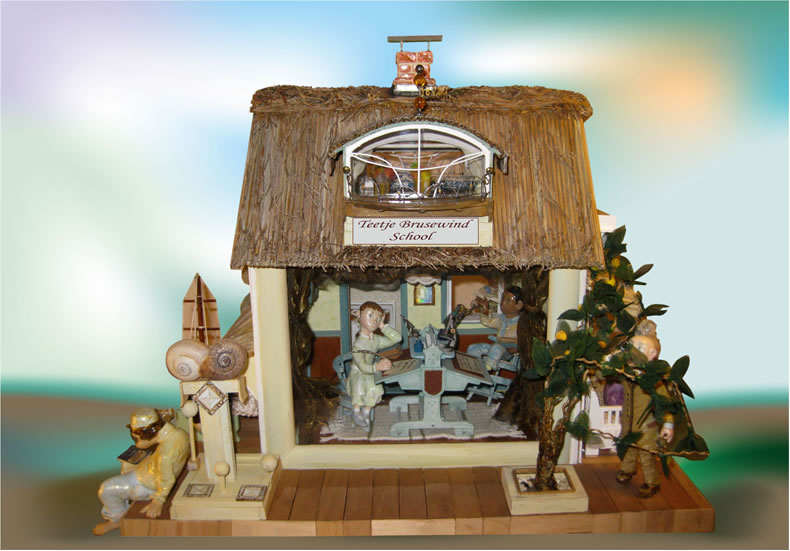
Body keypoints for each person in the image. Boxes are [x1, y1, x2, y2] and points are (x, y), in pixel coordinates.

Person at [92, 408, 189, 535]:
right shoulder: (180, 434)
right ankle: (122, 506)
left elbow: (167, 479)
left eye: (137, 438)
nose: (137, 442)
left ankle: (117, 520)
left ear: (148, 434)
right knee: (126, 464)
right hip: (148, 468)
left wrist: (158, 501)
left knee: (106, 489)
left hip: (145, 483)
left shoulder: (165, 456)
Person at [616, 319, 675, 497]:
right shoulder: (627, 374)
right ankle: (627, 469)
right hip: (628, 422)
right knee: (628, 447)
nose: (633, 351)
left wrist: (668, 424)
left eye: (639, 347)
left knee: (646, 455)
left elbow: (666, 403)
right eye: (632, 346)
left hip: (646, 426)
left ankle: (652, 481)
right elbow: (607, 372)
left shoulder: (655, 381)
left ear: (652, 354)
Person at [349, 301, 402, 429]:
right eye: (370, 315)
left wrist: (383, 326)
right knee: (362, 386)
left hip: (370, 372)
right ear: (359, 315)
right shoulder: (358, 345)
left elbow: (397, 338)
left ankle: (366, 412)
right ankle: (356, 411)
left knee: (376, 388)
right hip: (359, 373)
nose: (374, 321)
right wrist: (376, 367)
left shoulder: (376, 340)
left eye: (378, 318)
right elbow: (362, 367)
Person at [466, 285, 525, 372]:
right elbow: (489, 322)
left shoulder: (520, 323)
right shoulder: (502, 319)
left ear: (519, 305)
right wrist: (485, 310)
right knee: (473, 348)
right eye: (502, 299)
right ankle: (473, 369)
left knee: (496, 348)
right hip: (497, 347)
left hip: (508, 351)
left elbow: (522, 341)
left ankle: (486, 370)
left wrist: (516, 346)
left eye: (507, 300)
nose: (502, 303)